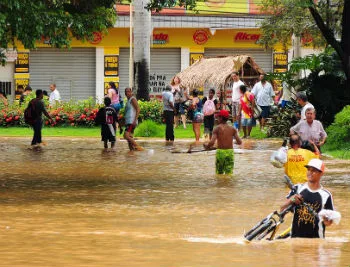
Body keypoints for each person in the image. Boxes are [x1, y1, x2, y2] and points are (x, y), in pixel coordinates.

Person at [280, 158, 334, 238]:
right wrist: (292, 199)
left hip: (316, 241)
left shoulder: (326, 195)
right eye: (308, 170)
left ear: (321, 173)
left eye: (314, 171)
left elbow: (328, 223)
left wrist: (327, 220)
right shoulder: (297, 189)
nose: (310, 173)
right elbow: (282, 209)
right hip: (295, 239)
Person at [203, 109, 242, 174]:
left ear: (221, 118)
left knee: (219, 172)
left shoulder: (217, 128)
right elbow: (239, 142)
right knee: (229, 173)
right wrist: (233, 142)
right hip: (230, 152)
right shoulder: (233, 129)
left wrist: (207, 146)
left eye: (218, 117)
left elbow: (212, 142)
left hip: (220, 152)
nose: (217, 118)